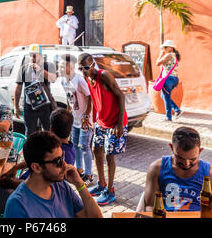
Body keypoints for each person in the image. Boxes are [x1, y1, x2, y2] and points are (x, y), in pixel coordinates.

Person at [4, 131, 102, 218]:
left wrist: (80, 184)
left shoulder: (61, 186)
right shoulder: (17, 206)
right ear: (37, 167)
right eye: (58, 161)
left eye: (62, 156)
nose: (65, 164)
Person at [78, 53, 128, 206]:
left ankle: (110, 191)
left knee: (109, 156)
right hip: (102, 121)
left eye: (86, 67)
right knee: (95, 149)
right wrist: (87, 115)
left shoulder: (104, 76)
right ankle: (101, 184)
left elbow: (121, 96)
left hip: (114, 123)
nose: (84, 71)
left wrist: (119, 124)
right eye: (80, 68)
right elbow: (92, 98)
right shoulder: (88, 78)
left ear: (92, 64)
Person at [144, 127, 212, 212]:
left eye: (192, 159)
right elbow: (150, 206)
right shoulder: (157, 168)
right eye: (180, 158)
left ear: (200, 151)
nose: (186, 164)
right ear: (171, 147)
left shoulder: (211, 175)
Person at [58, 53, 94, 185]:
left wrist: (86, 116)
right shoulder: (63, 80)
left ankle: (89, 175)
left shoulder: (79, 80)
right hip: (75, 119)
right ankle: (80, 170)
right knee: (76, 146)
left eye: (62, 66)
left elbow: (90, 97)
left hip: (85, 120)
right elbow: (69, 98)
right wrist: (69, 113)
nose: (59, 68)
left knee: (84, 146)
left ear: (70, 66)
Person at [14, 44, 57, 136]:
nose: (31, 58)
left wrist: (40, 70)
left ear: (40, 56)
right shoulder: (24, 68)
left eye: (34, 56)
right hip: (30, 106)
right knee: (30, 133)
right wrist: (16, 106)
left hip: (45, 105)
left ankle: (47, 149)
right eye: (30, 55)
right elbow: (18, 88)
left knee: (48, 131)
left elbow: (53, 79)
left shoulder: (48, 65)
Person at [156, 40, 182, 121]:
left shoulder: (169, 55)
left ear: (171, 48)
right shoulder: (174, 55)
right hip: (174, 79)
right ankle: (176, 110)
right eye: (163, 47)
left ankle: (169, 117)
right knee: (163, 96)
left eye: (165, 47)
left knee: (166, 97)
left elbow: (157, 63)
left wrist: (160, 54)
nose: (164, 49)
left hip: (168, 79)